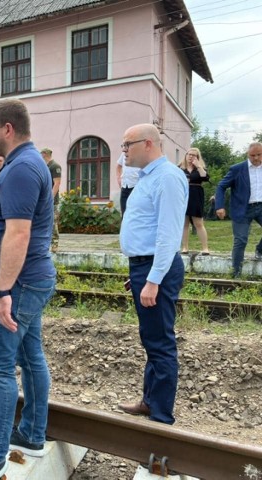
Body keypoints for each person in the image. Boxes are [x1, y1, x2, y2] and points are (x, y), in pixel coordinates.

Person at [0, 98, 57, 480]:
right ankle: (32, 433)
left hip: (17, 285)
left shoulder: (21, 168)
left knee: (0, 368)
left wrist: (2, 290)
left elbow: (18, 234)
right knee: (31, 354)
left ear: (7, 128)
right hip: (25, 280)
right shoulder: (24, 163)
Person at [118, 123, 187, 425]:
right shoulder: (148, 177)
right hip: (145, 266)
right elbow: (147, 229)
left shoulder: (168, 178)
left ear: (147, 143)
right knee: (151, 338)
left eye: (127, 145)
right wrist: (141, 274)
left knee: (160, 343)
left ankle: (161, 417)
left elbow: (167, 235)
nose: (124, 151)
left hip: (156, 267)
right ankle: (150, 401)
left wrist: (154, 278)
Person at [214, 142, 262, 277]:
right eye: (253, 155)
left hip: (261, 206)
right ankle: (236, 273)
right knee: (241, 240)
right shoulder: (237, 169)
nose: (256, 158)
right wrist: (220, 206)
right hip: (243, 208)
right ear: (248, 154)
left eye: (259, 155)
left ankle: (260, 250)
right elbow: (221, 186)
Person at [179, 148, 210, 255]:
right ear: (186, 155)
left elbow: (205, 177)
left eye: (194, 155)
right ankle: (185, 247)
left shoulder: (200, 168)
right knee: (184, 223)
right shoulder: (180, 168)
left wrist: (198, 166)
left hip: (196, 195)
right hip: (182, 195)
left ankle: (205, 248)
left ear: (197, 157)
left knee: (198, 223)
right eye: (189, 154)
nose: (190, 156)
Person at [41, 148, 61, 253]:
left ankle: (54, 244)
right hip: (43, 200)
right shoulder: (45, 167)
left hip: (52, 201)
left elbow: (57, 183)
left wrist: (50, 198)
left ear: (44, 154)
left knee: (53, 223)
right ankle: (45, 244)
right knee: (44, 223)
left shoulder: (55, 166)